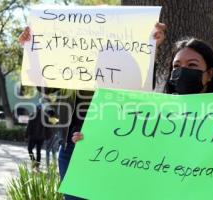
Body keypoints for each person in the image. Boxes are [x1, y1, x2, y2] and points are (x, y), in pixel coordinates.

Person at [72, 37, 213, 199]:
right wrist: (91, 141)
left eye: (192, 65)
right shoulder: (150, 115)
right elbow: (124, 157)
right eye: (176, 66)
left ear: (209, 74)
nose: (182, 70)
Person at [19, 22, 165, 200]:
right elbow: (45, 88)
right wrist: (31, 49)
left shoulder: (125, 64)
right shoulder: (73, 66)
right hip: (74, 148)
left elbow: (143, 90)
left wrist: (151, 48)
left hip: (116, 150)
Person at [26, 104, 54, 171]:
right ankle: (37, 165)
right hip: (41, 137)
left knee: (30, 149)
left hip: (33, 136)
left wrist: (26, 135)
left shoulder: (33, 115)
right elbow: (49, 128)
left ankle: (34, 162)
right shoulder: (45, 116)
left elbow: (29, 126)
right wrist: (47, 136)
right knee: (38, 151)